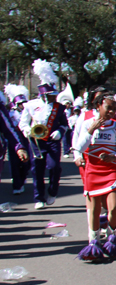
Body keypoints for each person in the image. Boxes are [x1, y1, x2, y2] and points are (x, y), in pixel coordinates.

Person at [74, 92, 116, 261]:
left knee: (113, 208)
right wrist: (91, 130)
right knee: (94, 210)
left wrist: (114, 157)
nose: (112, 112)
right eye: (108, 108)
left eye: (115, 109)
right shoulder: (87, 124)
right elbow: (79, 148)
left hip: (111, 170)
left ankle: (112, 237)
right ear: (98, 106)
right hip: (92, 171)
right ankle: (94, 243)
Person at [18, 62, 69, 210]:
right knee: (37, 171)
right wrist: (27, 130)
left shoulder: (59, 107)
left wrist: (60, 131)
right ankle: (39, 197)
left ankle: (52, 191)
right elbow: (23, 123)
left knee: (55, 167)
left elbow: (64, 124)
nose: (54, 98)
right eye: (51, 96)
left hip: (52, 141)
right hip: (36, 141)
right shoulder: (30, 105)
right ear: (44, 95)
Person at [0, 90, 28, 195]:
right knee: (14, 164)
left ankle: (19, 183)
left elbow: (8, 130)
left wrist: (19, 146)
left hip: (23, 139)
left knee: (26, 163)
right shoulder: (12, 113)